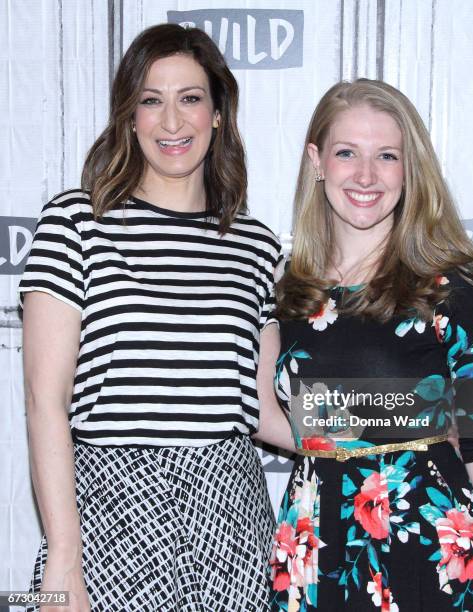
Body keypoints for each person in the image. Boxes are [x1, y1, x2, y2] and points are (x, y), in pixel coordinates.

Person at [20, 23, 289, 612]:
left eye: (190, 98)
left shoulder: (255, 245)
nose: (172, 122)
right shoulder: (75, 223)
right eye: (151, 99)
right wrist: (64, 556)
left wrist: (411, 415)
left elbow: (268, 407)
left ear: (218, 113)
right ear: (129, 115)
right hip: (108, 521)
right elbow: (45, 402)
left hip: (233, 520)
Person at [265, 79, 473, 611]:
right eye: (346, 153)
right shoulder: (288, 290)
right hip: (313, 544)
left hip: (425, 548)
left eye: (386, 156)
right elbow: (268, 415)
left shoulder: (453, 288)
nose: (365, 176)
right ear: (317, 161)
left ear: (409, 169)